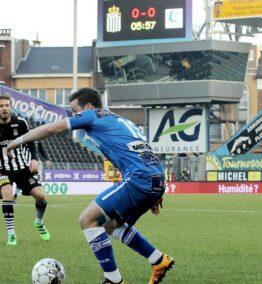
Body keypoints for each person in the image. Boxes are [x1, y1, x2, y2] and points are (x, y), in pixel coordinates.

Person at [7, 87, 174, 284]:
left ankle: (113, 280)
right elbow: (143, 151)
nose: (74, 116)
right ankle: (158, 260)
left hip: (139, 179)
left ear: (87, 106)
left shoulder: (93, 115)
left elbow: (51, 129)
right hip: (154, 178)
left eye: (75, 111)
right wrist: (155, 191)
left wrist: (17, 141)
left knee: (87, 220)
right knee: (111, 225)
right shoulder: (122, 121)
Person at [0, 94, 50, 245]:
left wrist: (34, 159)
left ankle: (38, 222)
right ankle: (11, 234)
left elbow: (31, 142)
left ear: (11, 107)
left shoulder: (20, 123)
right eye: (1, 106)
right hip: (2, 169)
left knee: (41, 196)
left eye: (7, 105)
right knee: (7, 193)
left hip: (22, 167)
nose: (4, 109)